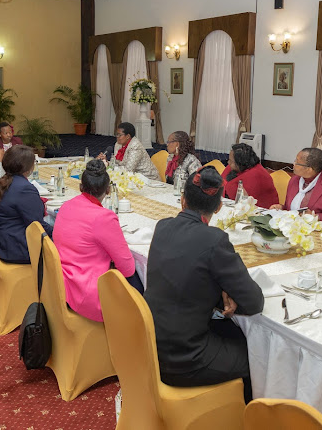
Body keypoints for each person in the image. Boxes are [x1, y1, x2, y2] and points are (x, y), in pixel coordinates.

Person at [145, 166, 264, 403]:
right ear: (219, 207)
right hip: (185, 359)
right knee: (259, 357)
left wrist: (218, 291)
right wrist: (224, 294)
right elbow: (254, 302)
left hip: (150, 344)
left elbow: (188, 276)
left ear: (182, 200)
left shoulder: (163, 226)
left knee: (232, 333)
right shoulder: (214, 240)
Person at [53, 160, 136, 322]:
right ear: (108, 189)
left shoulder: (66, 206)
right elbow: (128, 269)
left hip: (61, 284)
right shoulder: (103, 218)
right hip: (87, 294)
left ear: (81, 187)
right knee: (138, 284)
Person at [0, 145, 52, 264]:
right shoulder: (24, 189)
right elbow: (37, 225)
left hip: (6, 242)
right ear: (28, 168)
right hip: (20, 247)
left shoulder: (3, 182)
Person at [270, 147, 322, 227]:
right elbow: (292, 209)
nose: (293, 164)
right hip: (293, 228)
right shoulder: (294, 180)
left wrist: (316, 217)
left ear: (309, 169)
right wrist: (281, 208)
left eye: (297, 162)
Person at [221, 143, 278, 208]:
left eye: (231, 161)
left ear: (240, 163)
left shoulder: (256, 174)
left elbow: (236, 196)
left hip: (265, 212)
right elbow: (219, 183)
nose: (228, 163)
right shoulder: (239, 167)